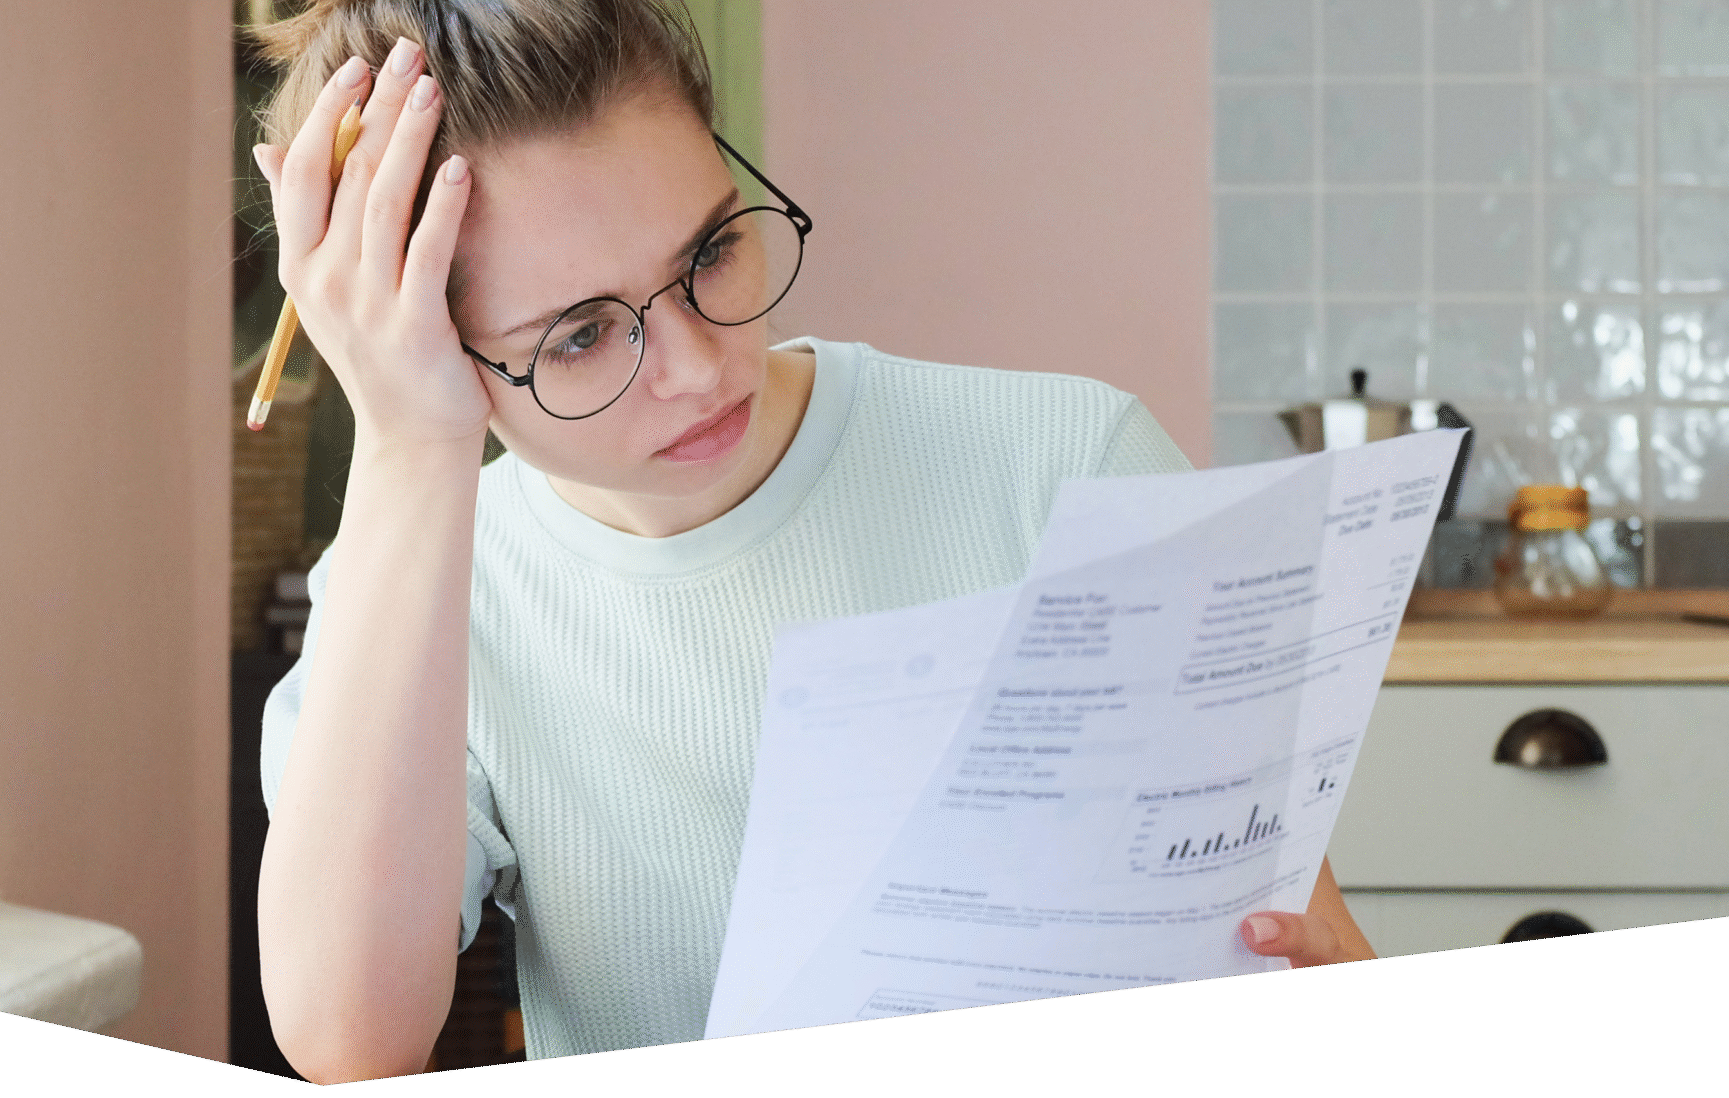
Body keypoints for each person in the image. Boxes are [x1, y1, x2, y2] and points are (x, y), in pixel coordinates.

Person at [250, 0, 1375, 1082]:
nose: (698, 367)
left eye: (710, 255)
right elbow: (350, 1041)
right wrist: (407, 443)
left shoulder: (1064, 462)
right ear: (426, 344)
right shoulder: (416, 597)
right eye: (582, 335)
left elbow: (1298, 950)